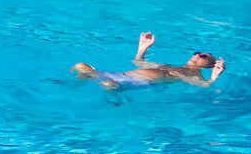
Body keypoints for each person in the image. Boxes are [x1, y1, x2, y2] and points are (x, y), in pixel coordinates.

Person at [72, 32, 225, 91]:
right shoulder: (170, 66)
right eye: (197, 53)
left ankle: (110, 92)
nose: (198, 55)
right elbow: (138, 62)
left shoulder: (194, 75)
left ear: (210, 65)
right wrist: (143, 48)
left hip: (137, 83)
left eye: (204, 56)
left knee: (109, 85)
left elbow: (203, 86)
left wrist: (214, 76)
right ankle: (75, 84)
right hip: (123, 75)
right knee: (80, 65)